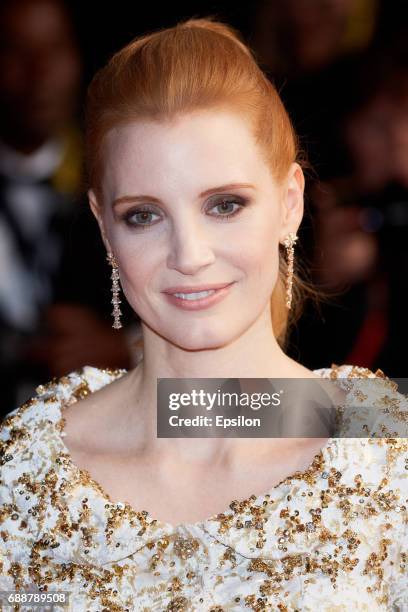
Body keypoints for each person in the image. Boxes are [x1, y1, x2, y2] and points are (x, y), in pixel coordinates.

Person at [0, 17, 406, 611]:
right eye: (144, 215)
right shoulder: (24, 474)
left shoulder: (387, 451)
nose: (189, 255)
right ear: (104, 229)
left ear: (290, 204)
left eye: (225, 204)